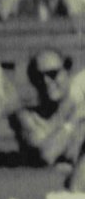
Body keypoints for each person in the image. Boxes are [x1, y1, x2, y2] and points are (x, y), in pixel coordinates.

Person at [9, 48, 85, 188]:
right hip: (41, 192)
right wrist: (74, 120)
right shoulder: (26, 117)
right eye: (38, 76)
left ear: (68, 73)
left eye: (52, 74)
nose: (46, 82)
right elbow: (47, 155)